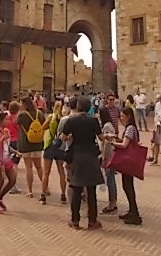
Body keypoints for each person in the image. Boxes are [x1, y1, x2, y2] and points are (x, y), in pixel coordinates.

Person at [62, 96, 105, 230]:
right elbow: (100, 137)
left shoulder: (71, 120)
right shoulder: (93, 120)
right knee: (91, 190)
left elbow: (63, 137)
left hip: (77, 155)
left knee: (76, 188)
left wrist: (71, 136)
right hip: (91, 155)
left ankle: (75, 221)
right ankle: (92, 221)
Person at [107, 107, 142, 225]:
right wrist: (116, 138)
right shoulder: (131, 128)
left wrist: (112, 143)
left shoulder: (130, 128)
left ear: (128, 116)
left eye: (122, 115)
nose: (121, 118)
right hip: (129, 161)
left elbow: (124, 145)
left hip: (128, 161)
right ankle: (132, 211)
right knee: (128, 186)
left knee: (128, 187)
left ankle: (135, 213)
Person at [0, 112, 19, 214]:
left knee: (12, 179)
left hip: (6, 159)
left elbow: (7, 145)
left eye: (8, 119)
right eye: (6, 119)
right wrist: (2, 139)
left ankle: (0, 197)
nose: (8, 121)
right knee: (0, 181)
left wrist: (16, 152)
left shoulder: (6, 131)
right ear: (0, 121)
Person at [17, 96, 46, 198]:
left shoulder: (22, 115)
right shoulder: (39, 113)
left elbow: (18, 126)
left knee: (28, 167)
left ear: (24, 104)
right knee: (39, 167)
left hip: (26, 143)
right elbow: (44, 125)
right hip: (38, 143)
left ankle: (30, 191)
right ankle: (45, 188)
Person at [40, 101, 66, 205]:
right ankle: (63, 195)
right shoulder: (64, 119)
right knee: (61, 172)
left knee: (46, 172)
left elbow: (43, 127)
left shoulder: (51, 117)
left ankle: (43, 195)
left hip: (50, 145)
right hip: (60, 146)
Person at [99, 107, 118, 214]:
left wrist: (103, 157)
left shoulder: (106, 126)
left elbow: (106, 143)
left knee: (110, 179)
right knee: (111, 179)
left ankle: (112, 203)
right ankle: (113, 201)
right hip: (112, 153)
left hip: (108, 154)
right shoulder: (110, 125)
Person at [149, 95, 161, 165]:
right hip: (157, 125)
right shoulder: (157, 105)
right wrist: (155, 125)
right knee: (156, 143)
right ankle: (155, 159)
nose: (160, 102)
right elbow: (156, 115)